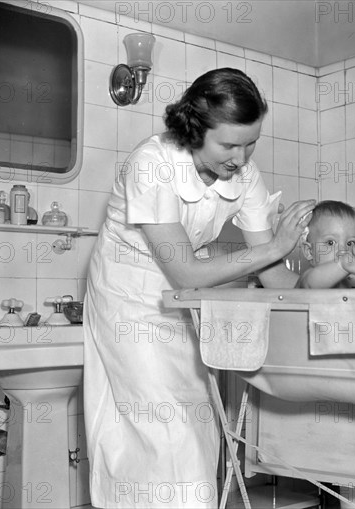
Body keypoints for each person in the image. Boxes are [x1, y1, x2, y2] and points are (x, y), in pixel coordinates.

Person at [83, 67, 315, 508]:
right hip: (129, 303)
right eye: (229, 144)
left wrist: (327, 277)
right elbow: (186, 271)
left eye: (250, 143)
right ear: (195, 130)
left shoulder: (243, 175)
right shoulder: (152, 163)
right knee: (163, 434)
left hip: (184, 306)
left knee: (198, 427)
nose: (241, 158)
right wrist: (277, 248)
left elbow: (273, 276)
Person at [297, 200, 355, 289]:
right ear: (309, 251)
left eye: (350, 243)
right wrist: (341, 265)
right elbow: (312, 283)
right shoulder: (307, 278)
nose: (343, 251)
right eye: (331, 242)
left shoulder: (346, 284)